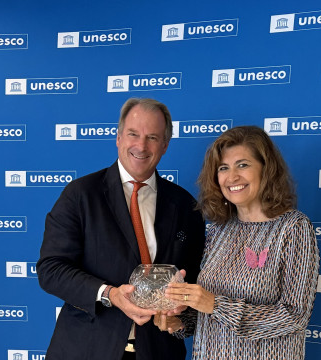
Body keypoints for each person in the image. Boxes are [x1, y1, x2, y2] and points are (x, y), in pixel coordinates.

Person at [37, 98, 206, 360]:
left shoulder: (185, 206)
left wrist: (180, 314)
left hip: (158, 351)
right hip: (87, 349)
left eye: (152, 137)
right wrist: (111, 295)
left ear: (164, 145)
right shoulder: (81, 195)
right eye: (133, 134)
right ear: (118, 138)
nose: (141, 145)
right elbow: (51, 269)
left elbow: (196, 284)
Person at [159, 125, 320, 359]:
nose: (232, 177)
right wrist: (180, 320)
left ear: (266, 169)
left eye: (243, 165)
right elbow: (208, 312)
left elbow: (294, 316)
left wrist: (216, 305)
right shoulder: (219, 230)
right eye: (223, 168)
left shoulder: (293, 228)